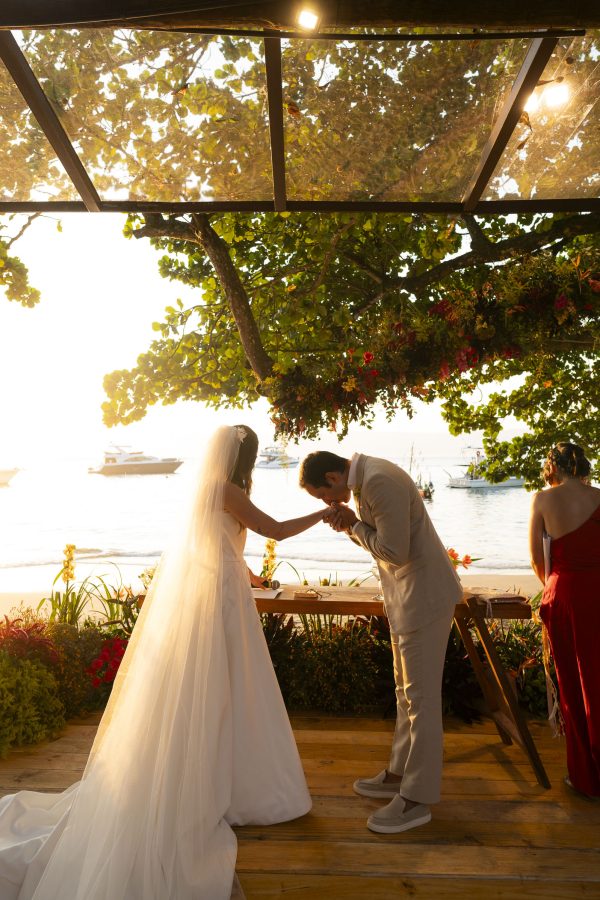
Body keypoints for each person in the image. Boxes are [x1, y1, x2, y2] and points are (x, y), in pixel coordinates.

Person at [0, 425, 327, 900]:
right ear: (245, 458)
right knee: (225, 691)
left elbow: (215, 547)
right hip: (222, 602)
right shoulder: (226, 489)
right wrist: (325, 512)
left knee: (234, 692)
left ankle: (234, 783)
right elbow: (273, 530)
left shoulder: (215, 489)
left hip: (228, 595)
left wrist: (251, 575)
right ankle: (224, 786)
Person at [299, 450, 462, 834]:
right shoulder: (364, 480)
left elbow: (394, 551)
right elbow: (384, 543)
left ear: (335, 477)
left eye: (322, 495)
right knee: (406, 694)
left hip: (424, 599)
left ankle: (417, 800)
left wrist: (355, 525)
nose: (327, 502)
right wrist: (352, 529)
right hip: (407, 599)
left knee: (421, 701)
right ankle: (398, 773)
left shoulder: (378, 481)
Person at [529, 442, 600, 800]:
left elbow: (537, 562)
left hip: (566, 595)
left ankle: (586, 776)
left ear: (552, 468)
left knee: (572, 685)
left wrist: (554, 588)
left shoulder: (543, 500)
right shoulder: (599, 496)